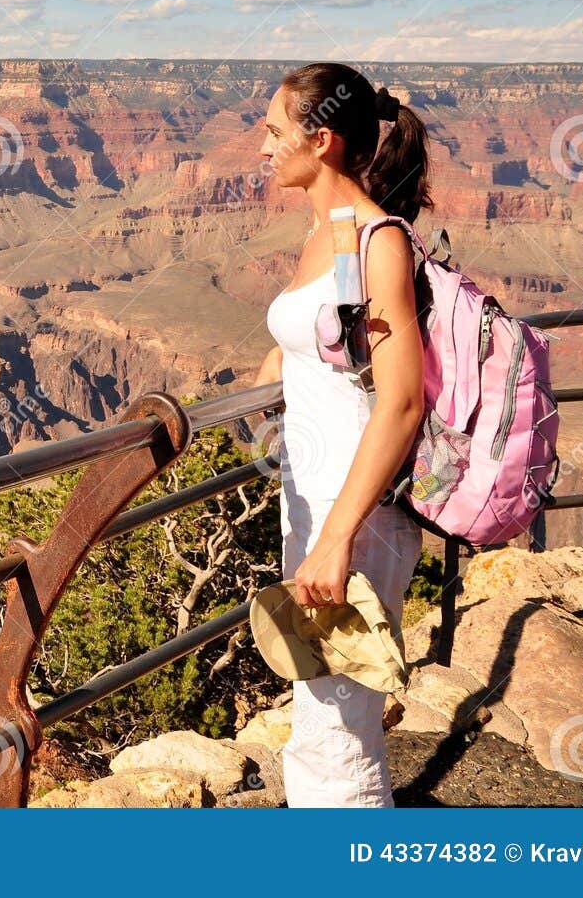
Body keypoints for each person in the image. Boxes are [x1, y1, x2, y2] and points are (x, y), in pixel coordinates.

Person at [250, 62, 432, 807]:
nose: (261, 148)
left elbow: (401, 403)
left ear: (320, 140)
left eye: (272, 131)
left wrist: (335, 539)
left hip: (356, 519)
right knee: (322, 724)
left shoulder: (378, 243)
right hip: (316, 507)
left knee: (338, 742)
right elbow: (304, 346)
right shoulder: (326, 233)